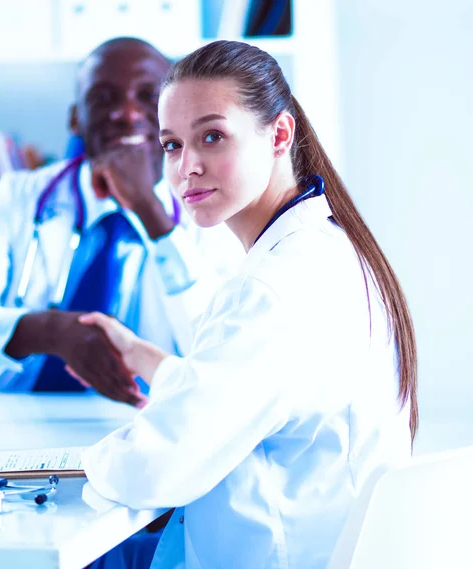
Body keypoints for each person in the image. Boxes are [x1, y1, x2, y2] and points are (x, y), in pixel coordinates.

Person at [76, 40, 418, 569]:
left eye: (212, 137)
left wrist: (68, 464)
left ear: (280, 134)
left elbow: (159, 466)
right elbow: (248, 393)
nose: (187, 167)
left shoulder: (271, 288)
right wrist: (149, 361)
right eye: (171, 145)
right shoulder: (328, 248)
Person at [0, 37, 241, 404]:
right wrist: (46, 330)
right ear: (76, 118)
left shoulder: (214, 208)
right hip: (21, 423)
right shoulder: (16, 198)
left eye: (149, 98)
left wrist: (149, 210)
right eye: (103, 99)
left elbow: (222, 354)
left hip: (152, 425)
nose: (127, 114)